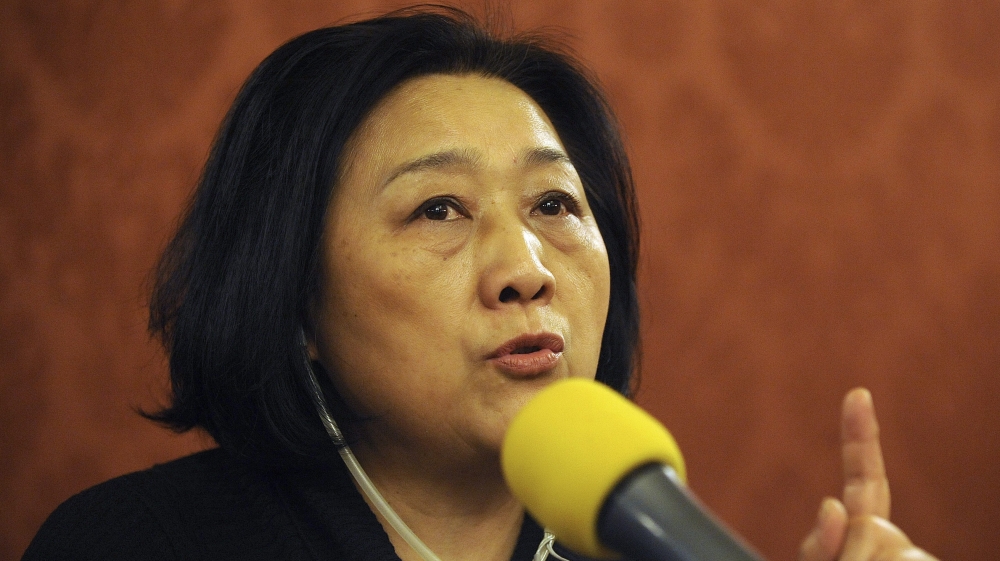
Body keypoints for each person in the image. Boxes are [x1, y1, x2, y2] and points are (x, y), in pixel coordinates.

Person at [23, 7, 937, 561]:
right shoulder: (137, 543)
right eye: (439, 210)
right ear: (295, 300)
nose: (526, 271)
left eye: (554, 203)